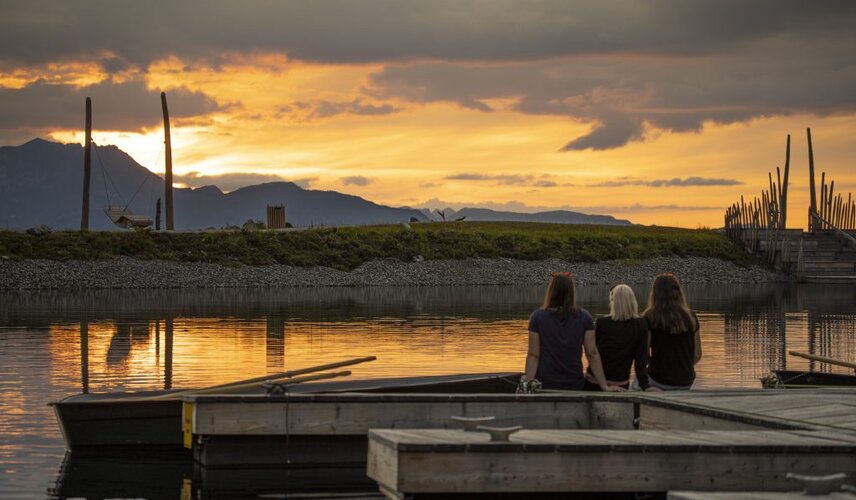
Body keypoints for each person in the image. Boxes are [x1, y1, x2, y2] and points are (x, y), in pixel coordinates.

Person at [521, 272, 620, 392]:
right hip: (574, 382)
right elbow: (592, 353)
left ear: (551, 291)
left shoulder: (537, 317)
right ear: (572, 292)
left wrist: (527, 383)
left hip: (545, 382)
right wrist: (604, 386)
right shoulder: (585, 317)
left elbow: (533, 354)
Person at [584, 284, 649, 391]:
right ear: (633, 301)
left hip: (595, 381)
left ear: (613, 301)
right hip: (621, 383)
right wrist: (645, 386)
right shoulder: (641, 325)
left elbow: (593, 352)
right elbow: (641, 360)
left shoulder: (602, 323)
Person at [643, 274, 702, 390]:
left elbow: (643, 353)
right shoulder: (691, 317)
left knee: (635, 386)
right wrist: (683, 368)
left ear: (655, 293)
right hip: (686, 380)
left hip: (659, 379)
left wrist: (653, 365)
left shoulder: (650, 316)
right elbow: (697, 355)